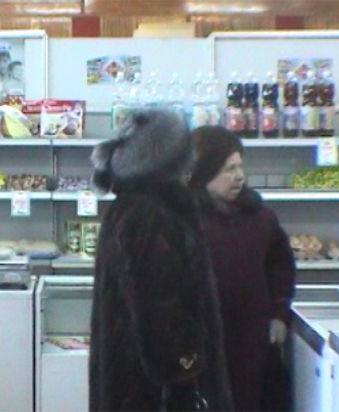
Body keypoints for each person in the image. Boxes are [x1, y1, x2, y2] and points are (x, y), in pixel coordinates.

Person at [88, 108, 233, 412]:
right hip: (156, 393)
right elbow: (159, 307)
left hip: (129, 384)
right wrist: (186, 371)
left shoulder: (129, 207)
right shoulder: (153, 215)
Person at [189, 126, 296, 411]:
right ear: (204, 172)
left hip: (253, 346)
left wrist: (280, 315)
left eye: (240, 166)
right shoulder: (182, 221)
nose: (239, 176)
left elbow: (281, 267)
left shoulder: (260, 217)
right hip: (202, 348)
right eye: (228, 169)